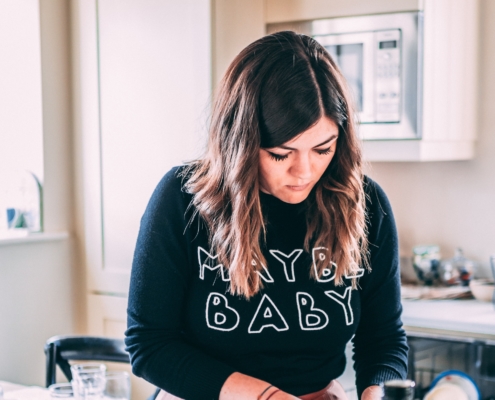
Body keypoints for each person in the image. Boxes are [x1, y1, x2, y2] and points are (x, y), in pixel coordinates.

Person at [125, 31, 408, 400]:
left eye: (322, 149)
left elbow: (384, 339)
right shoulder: (183, 199)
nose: (304, 172)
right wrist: (267, 398)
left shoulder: (365, 204)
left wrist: (377, 393)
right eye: (280, 154)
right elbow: (150, 345)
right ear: (240, 143)